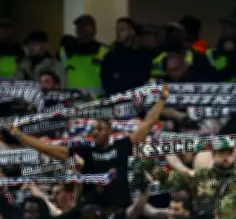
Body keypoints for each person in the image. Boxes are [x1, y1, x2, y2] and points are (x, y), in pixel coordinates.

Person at [10, 83, 169, 211]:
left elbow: (147, 124)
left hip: (120, 209)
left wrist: (162, 100)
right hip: (91, 212)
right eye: (93, 129)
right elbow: (47, 149)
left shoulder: (121, 146)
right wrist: (19, 135)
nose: (95, 132)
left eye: (100, 129)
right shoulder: (85, 151)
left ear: (110, 131)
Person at [101, 17, 150, 95]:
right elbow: (106, 79)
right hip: (116, 97)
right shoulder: (110, 55)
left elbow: (143, 78)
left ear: (132, 32)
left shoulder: (142, 55)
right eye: (116, 30)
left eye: (122, 29)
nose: (118, 33)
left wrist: (120, 76)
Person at [58, 14, 108, 90]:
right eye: (78, 27)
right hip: (72, 96)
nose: (79, 29)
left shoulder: (104, 51)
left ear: (93, 30)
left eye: (83, 27)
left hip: (97, 97)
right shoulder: (65, 51)